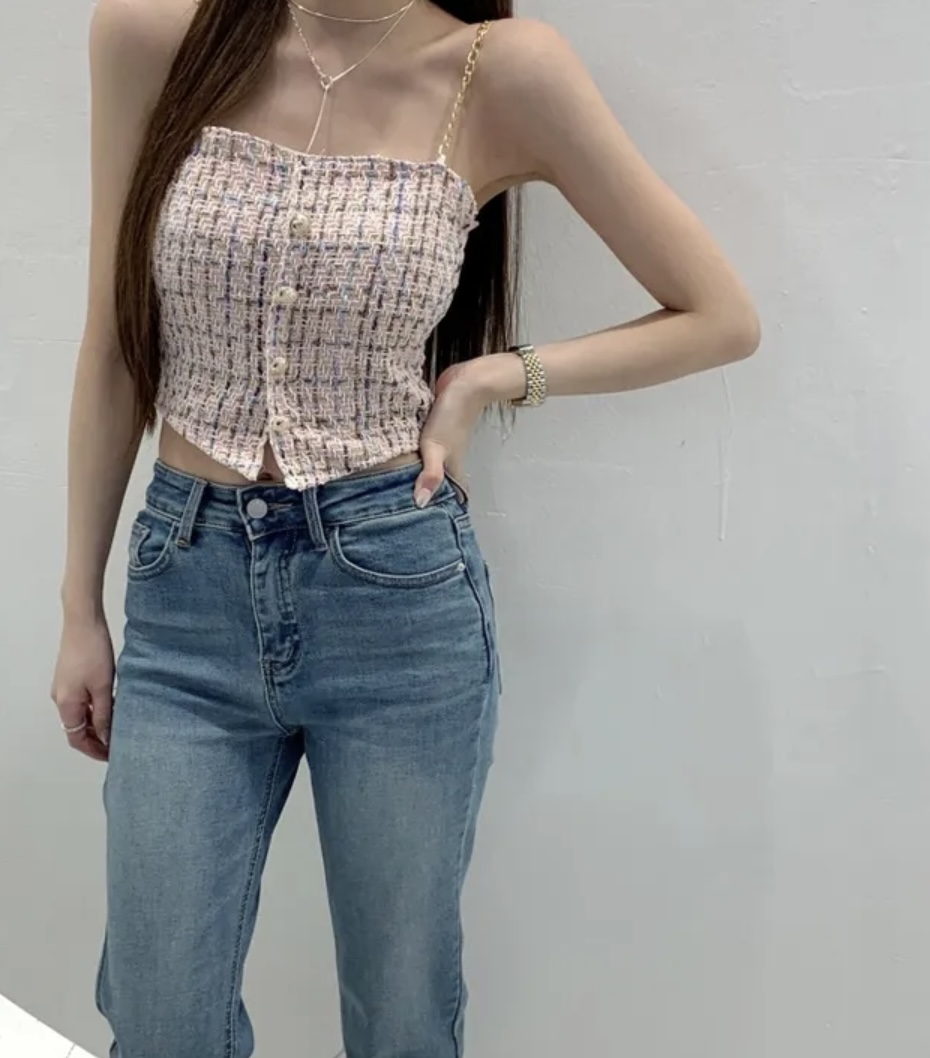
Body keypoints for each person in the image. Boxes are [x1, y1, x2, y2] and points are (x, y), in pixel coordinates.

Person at [50, 1, 760, 1055]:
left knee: (401, 1013)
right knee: (161, 1016)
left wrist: (491, 378)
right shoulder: (155, 37)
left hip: (394, 595)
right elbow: (115, 343)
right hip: (186, 591)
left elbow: (719, 314)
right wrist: (79, 605)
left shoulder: (498, 69)